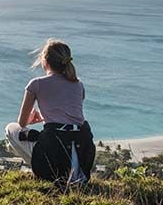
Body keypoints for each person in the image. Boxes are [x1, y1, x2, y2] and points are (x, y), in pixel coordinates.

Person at [5, 39, 95, 185]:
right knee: (59, 135)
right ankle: (65, 173)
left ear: (44, 61)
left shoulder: (36, 84)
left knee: (11, 129)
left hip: (54, 152)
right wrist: (42, 116)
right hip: (82, 155)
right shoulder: (78, 85)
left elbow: (22, 123)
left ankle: (40, 169)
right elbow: (70, 114)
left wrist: (33, 118)